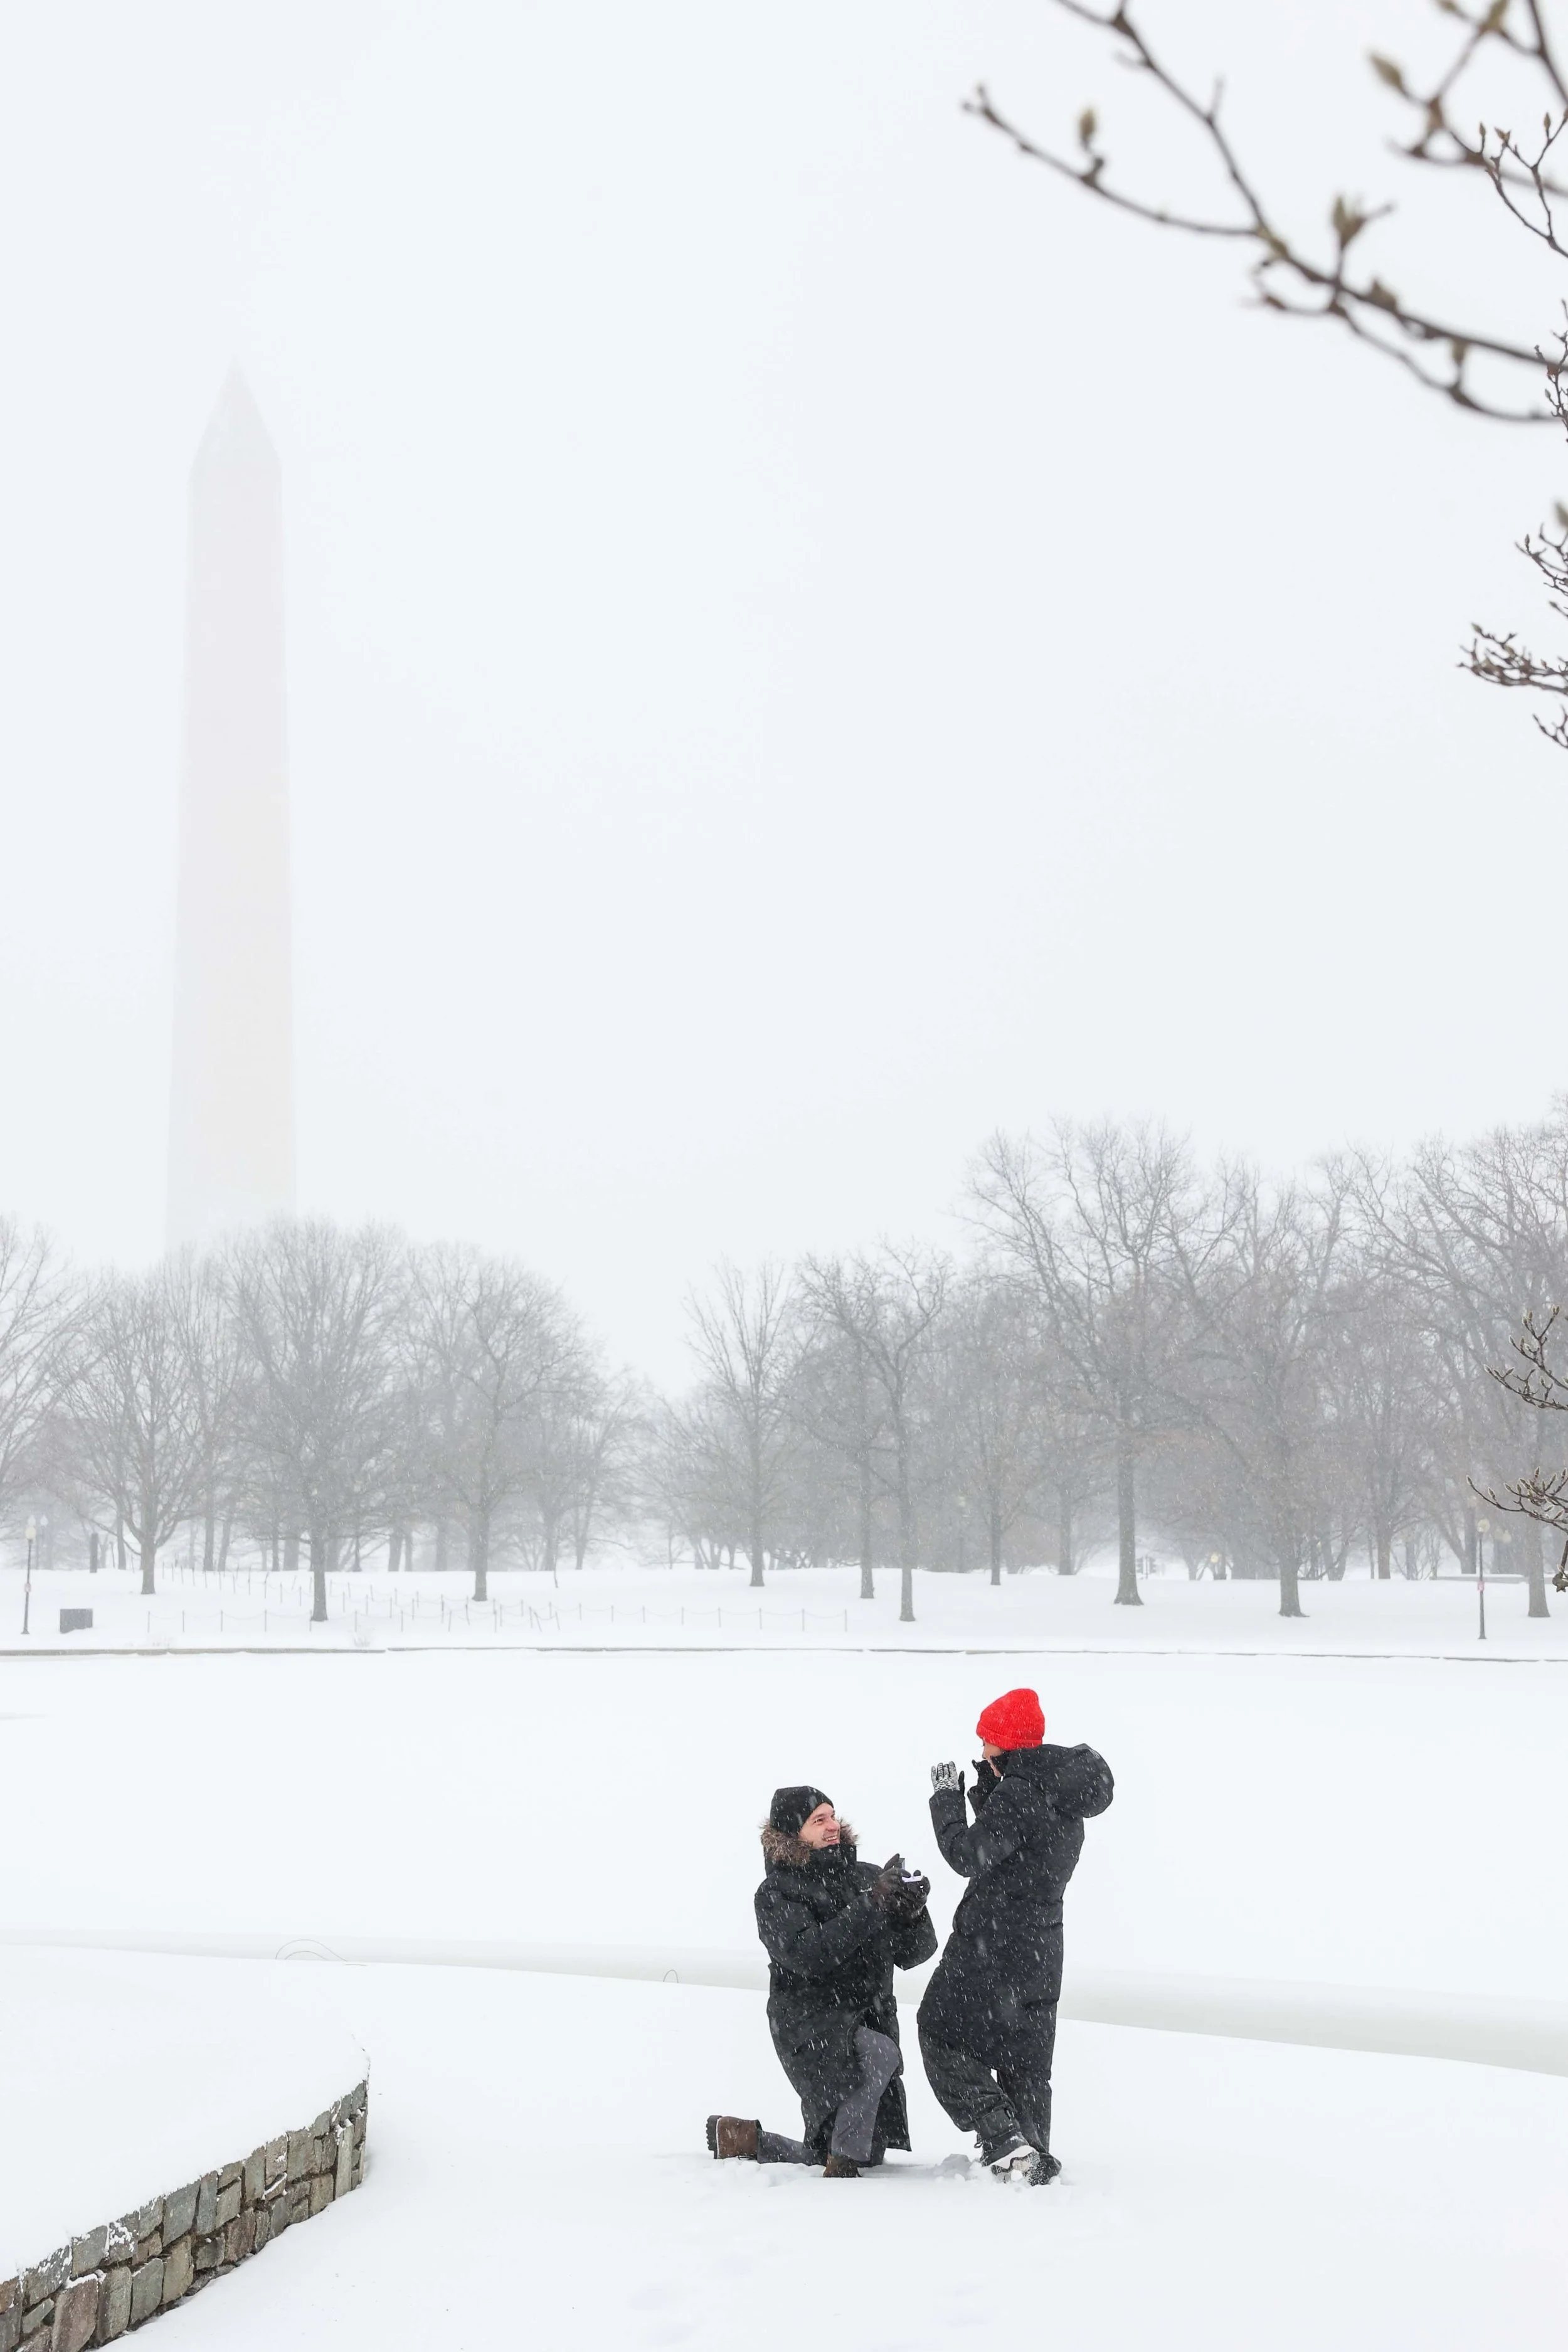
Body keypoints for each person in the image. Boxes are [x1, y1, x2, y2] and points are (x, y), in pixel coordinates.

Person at [918, 1687, 1113, 2184]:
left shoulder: (1022, 1794)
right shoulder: (1060, 1793)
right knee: (1024, 2059)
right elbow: (1018, 1845)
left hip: (991, 1943)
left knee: (939, 2032)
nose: (980, 1751)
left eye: (985, 1742)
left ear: (1004, 1743)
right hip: (1041, 1948)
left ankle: (1004, 2138)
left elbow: (969, 1855)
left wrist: (946, 1800)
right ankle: (1033, 2154)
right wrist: (993, 1784)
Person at [707, 1785, 936, 2177]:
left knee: (866, 2151)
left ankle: (744, 2139)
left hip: (870, 2016)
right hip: (811, 2025)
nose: (833, 1826)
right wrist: (871, 1905)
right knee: (879, 2059)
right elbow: (809, 1955)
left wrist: (912, 1915)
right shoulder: (775, 1894)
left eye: (833, 1816)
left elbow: (914, 1955)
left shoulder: (865, 1877)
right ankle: (840, 2170)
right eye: (819, 1820)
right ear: (792, 1832)